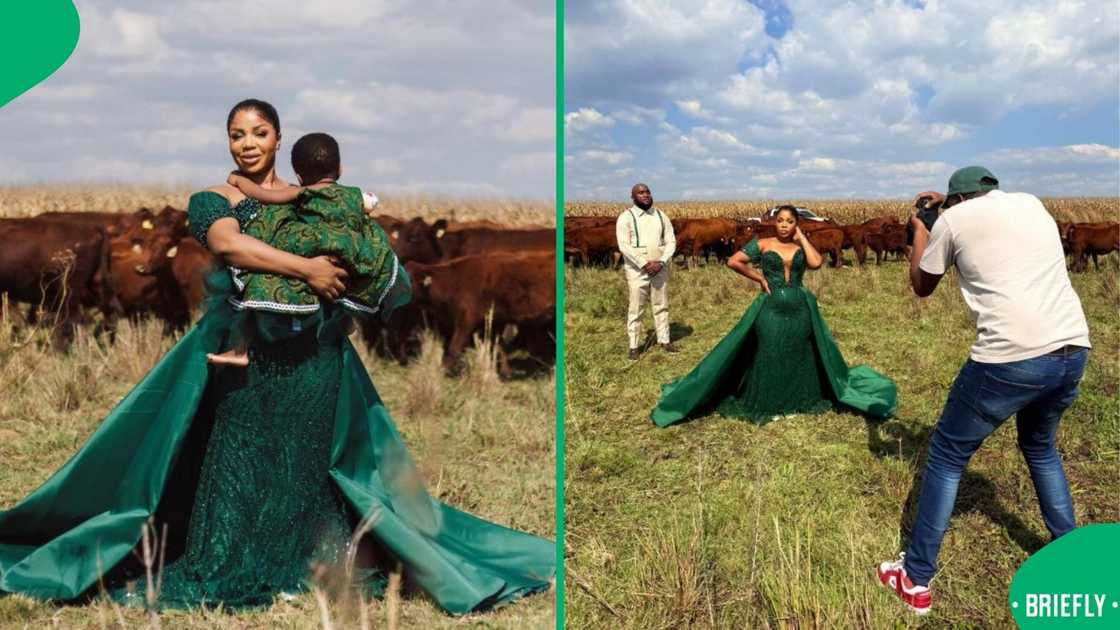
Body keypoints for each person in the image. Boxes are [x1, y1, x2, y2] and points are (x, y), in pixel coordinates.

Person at [0, 99, 554, 613]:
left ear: (278, 138)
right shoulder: (213, 200)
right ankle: (233, 561)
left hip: (315, 352)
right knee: (241, 458)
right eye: (236, 134)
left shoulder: (311, 197)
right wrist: (308, 269)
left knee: (308, 461)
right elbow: (229, 244)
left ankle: (309, 564)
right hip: (244, 353)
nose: (247, 143)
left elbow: (357, 250)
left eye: (259, 133)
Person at [877, 166, 1091, 616]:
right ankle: (1072, 555)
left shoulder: (952, 221)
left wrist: (922, 228)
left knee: (946, 455)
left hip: (1010, 356)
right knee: (1041, 448)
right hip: (1072, 347)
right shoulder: (1031, 203)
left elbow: (921, 286)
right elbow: (985, 219)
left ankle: (915, 577)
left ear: (956, 200)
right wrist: (949, 204)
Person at [650, 206, 896, 427]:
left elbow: (816, 263)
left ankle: (800, 399)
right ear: (775, 223)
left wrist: (802, 237)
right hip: (771, 308)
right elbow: (734, 261)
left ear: (796, 224)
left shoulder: (801, 245)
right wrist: (759, 277)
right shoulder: (763, 243)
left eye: (790, 221)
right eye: (780, 221)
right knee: (770, 349)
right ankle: (768, 401)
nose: (784, 225)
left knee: (799, 351)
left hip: (800, 308)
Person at [207, 131, 404, 367]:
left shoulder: (302, 192)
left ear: (299, 176)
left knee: (260, 278)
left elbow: (263, 196)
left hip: (315, 248)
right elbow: (370, 204)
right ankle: (345, 319)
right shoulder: (355, 194)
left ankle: (240, 349)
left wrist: (239, 181)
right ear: (340, 169)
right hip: (351, 254)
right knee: (351, 279)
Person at [617, 183, 677, 359]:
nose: (645, 195)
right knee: (636, 307)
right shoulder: (626, 217)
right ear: (633, 197)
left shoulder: (661, 216)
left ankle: (664, 340)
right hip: (637, 270)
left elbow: (671, 241)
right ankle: (634, 346)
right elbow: (624, 245)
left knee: (661, 304)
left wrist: (661, 261)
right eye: (640, 192)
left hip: (659, 268)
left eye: (647, 192)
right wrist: (644, 264)